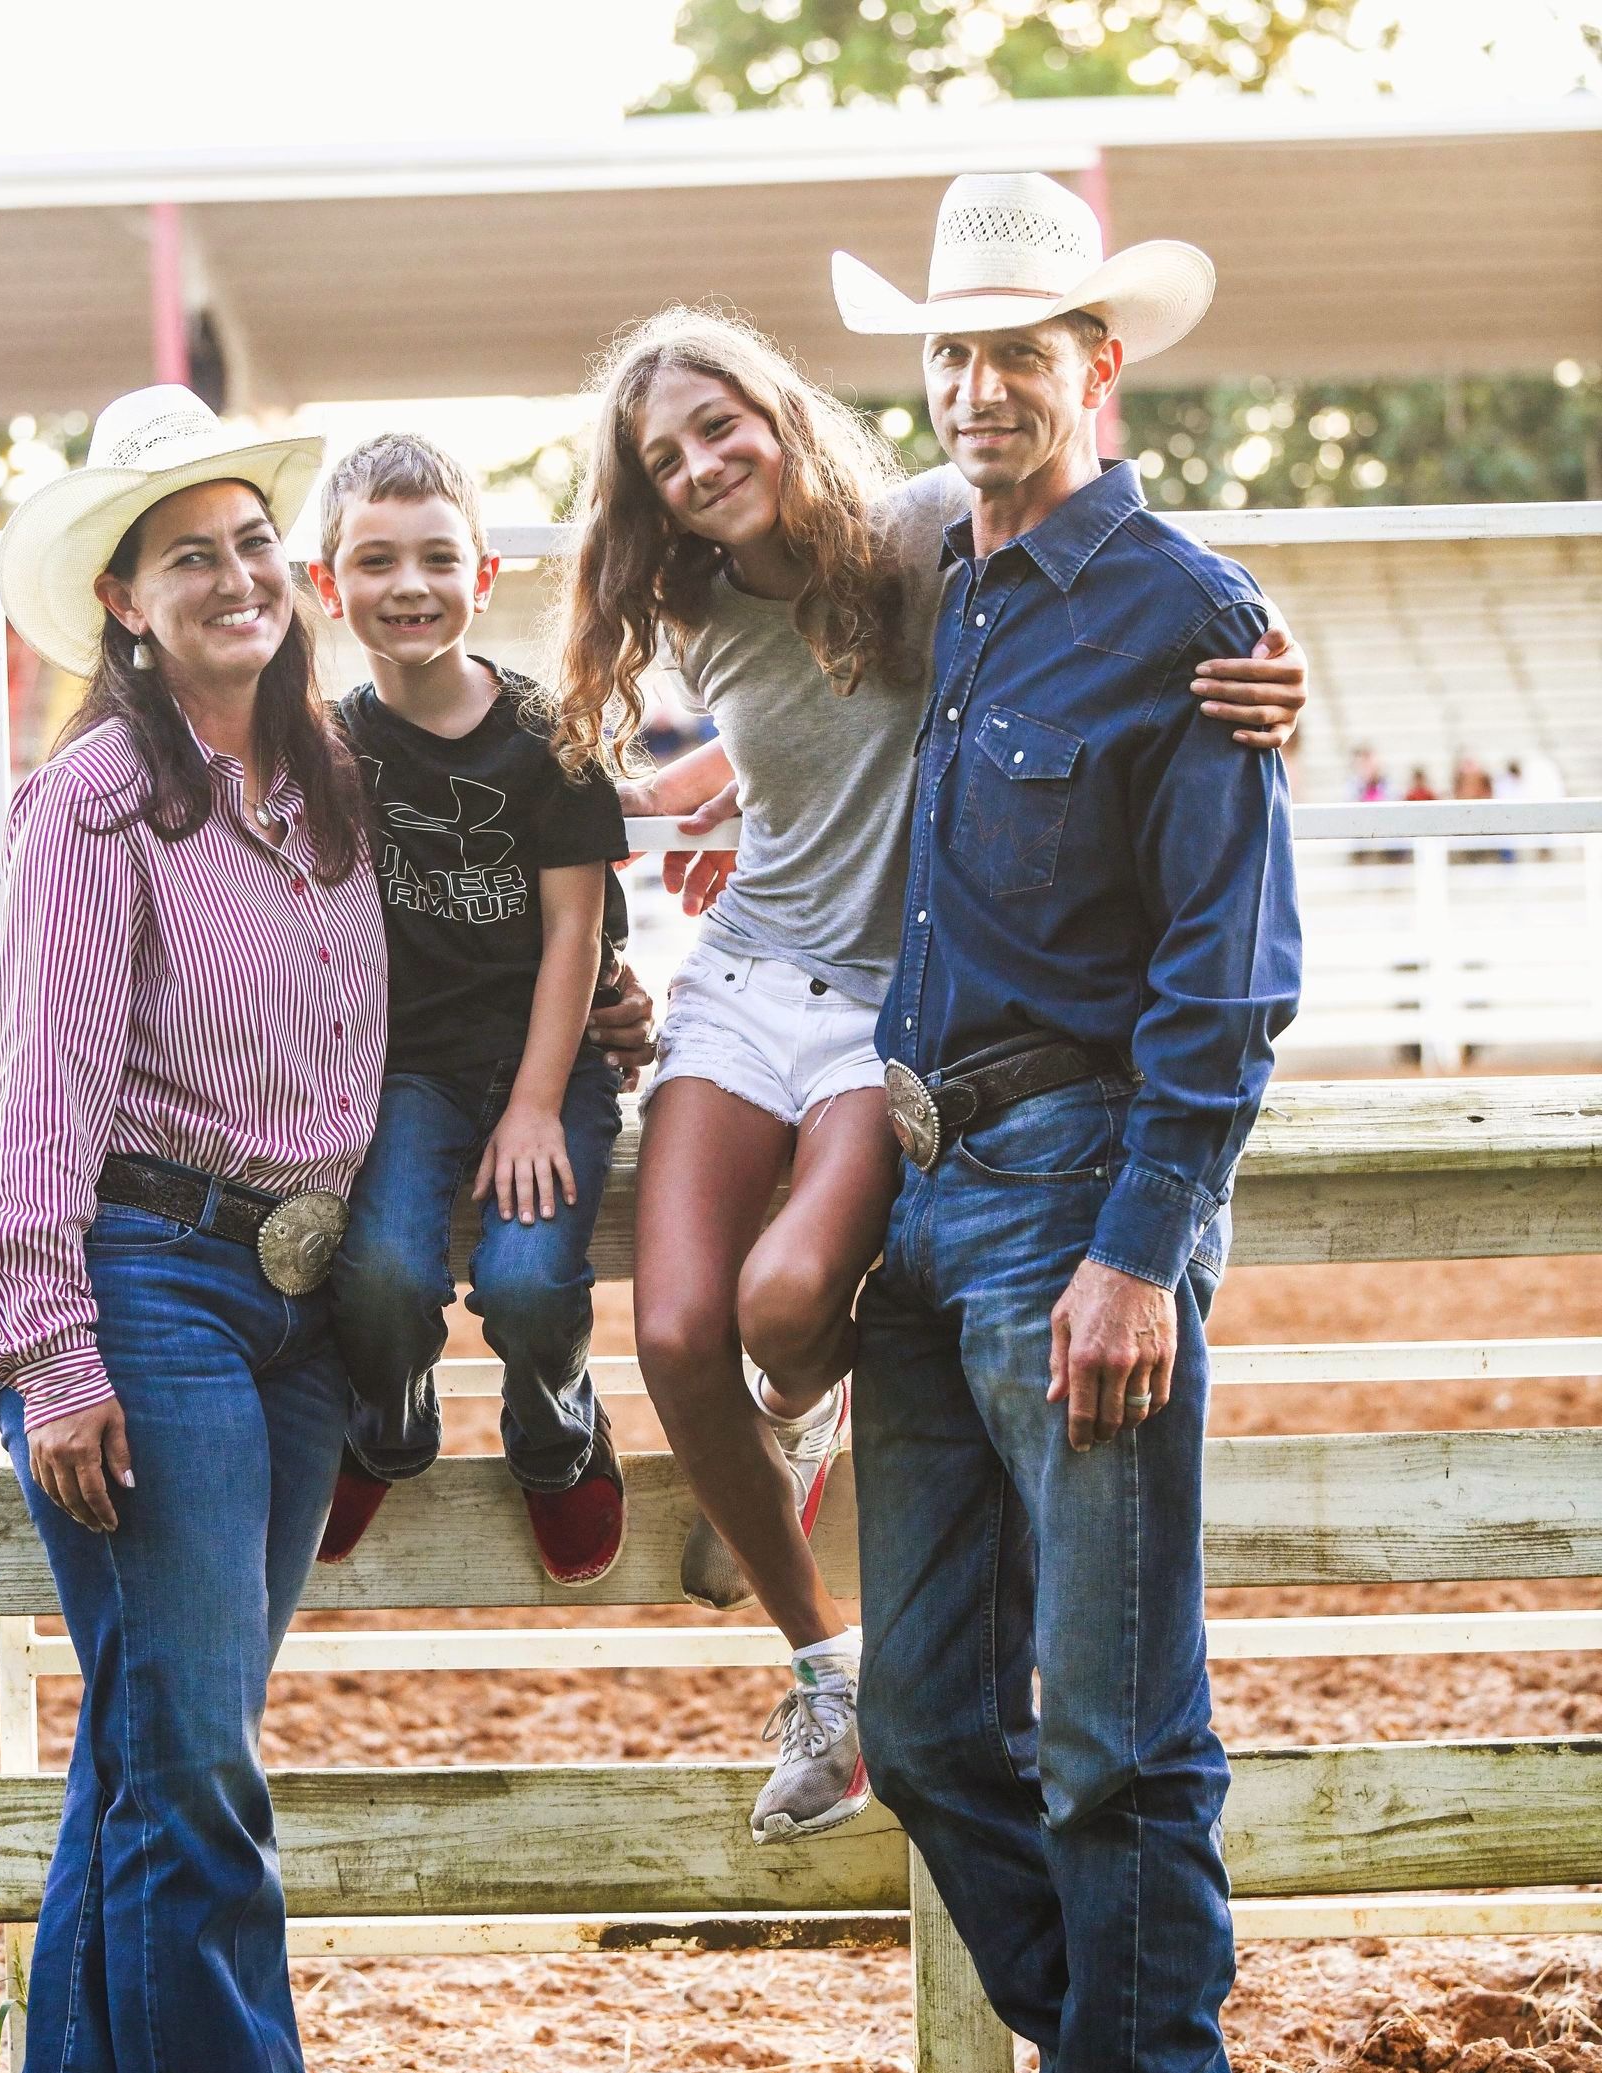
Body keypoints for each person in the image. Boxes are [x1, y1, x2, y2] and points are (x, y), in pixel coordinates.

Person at [553, 309, 1305, 1846]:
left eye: (723, 426)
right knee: (679, 1323)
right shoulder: (683, 592)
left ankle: (807, 1395)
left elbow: (1134, 582)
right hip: (749, 974)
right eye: (665, 456)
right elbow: (791, 737)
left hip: (888, 1006)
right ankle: (824, 1667)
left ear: (780, 411)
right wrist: (713, 801)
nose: (702, 466)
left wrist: (1280, 662)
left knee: (780, 1306)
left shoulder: (915, 528)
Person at [835, 174, 1298, 2073]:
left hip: (1080, 1200)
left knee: (1118, 1729)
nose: (977, 385)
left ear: (1098, 371)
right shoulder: (956, 585)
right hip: (923, 1205)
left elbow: (1230, 974)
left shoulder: (1192, 610)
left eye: (1018, 353)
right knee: (927, 1720)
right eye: (951, 353)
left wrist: (1145, 1242)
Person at [0, 385, 414, 2073]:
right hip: (143, 1288)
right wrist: (53, 1346)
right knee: (198, 1772)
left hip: (304, 1313)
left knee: (155, 1765)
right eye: (185, 555)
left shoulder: (339, 777)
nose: (232, 574)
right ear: (129, 607)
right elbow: (41, 1090)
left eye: (248, 540)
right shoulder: (92, 806)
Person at [312, 433, 630, 1584]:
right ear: (327, 585)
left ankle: (556, 1430)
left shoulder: (553, 737)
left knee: (530, 1280)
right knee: (385, 1273)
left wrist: (539, 1104)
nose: (409, 586)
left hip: (547, 1062)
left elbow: (574, 933)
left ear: (483, 576)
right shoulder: (329, 748)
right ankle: (387, 1425)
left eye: (439, 559)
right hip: (403, 1073)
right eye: (376, 561)